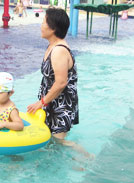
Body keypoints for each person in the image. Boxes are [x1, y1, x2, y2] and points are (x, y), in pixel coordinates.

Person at [27, 8, 92, 158]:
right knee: (49, 139)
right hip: (51, 102)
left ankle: (86, 158)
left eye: (44, 22)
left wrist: (41, 102)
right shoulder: (52, 46)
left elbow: (61, 83)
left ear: (53, 28)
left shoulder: (59, 50)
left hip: (61, 104)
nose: (41, 25)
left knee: (58, 142)